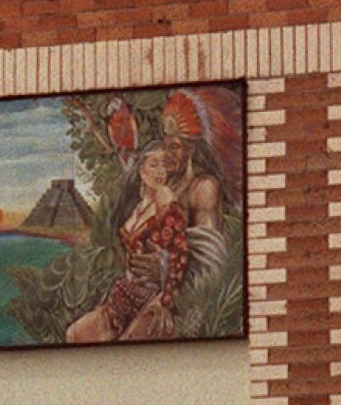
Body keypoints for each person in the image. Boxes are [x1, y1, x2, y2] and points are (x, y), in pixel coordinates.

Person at [66, 90, 233, 343]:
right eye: (166, 145)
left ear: (191, 151)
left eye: (175, 147)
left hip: (169, 297)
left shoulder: (204, 188)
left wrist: (165, 268)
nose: (168, 155)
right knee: (76, 335)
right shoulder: (160, 187)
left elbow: (213, 261)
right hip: (129, 291)